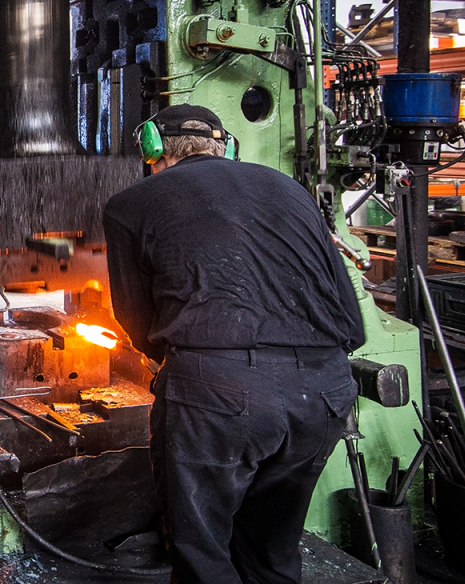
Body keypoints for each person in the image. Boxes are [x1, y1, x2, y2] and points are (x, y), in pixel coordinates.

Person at [102, 104, 363, 584]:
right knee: (273, 550)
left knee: (202, 552)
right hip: (325, 393)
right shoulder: (292, 191)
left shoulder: (129, 204)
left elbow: (134, 319)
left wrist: (181, 364)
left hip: (218, 394)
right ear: (227, 146)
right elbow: (349, 313)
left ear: (152, 149)